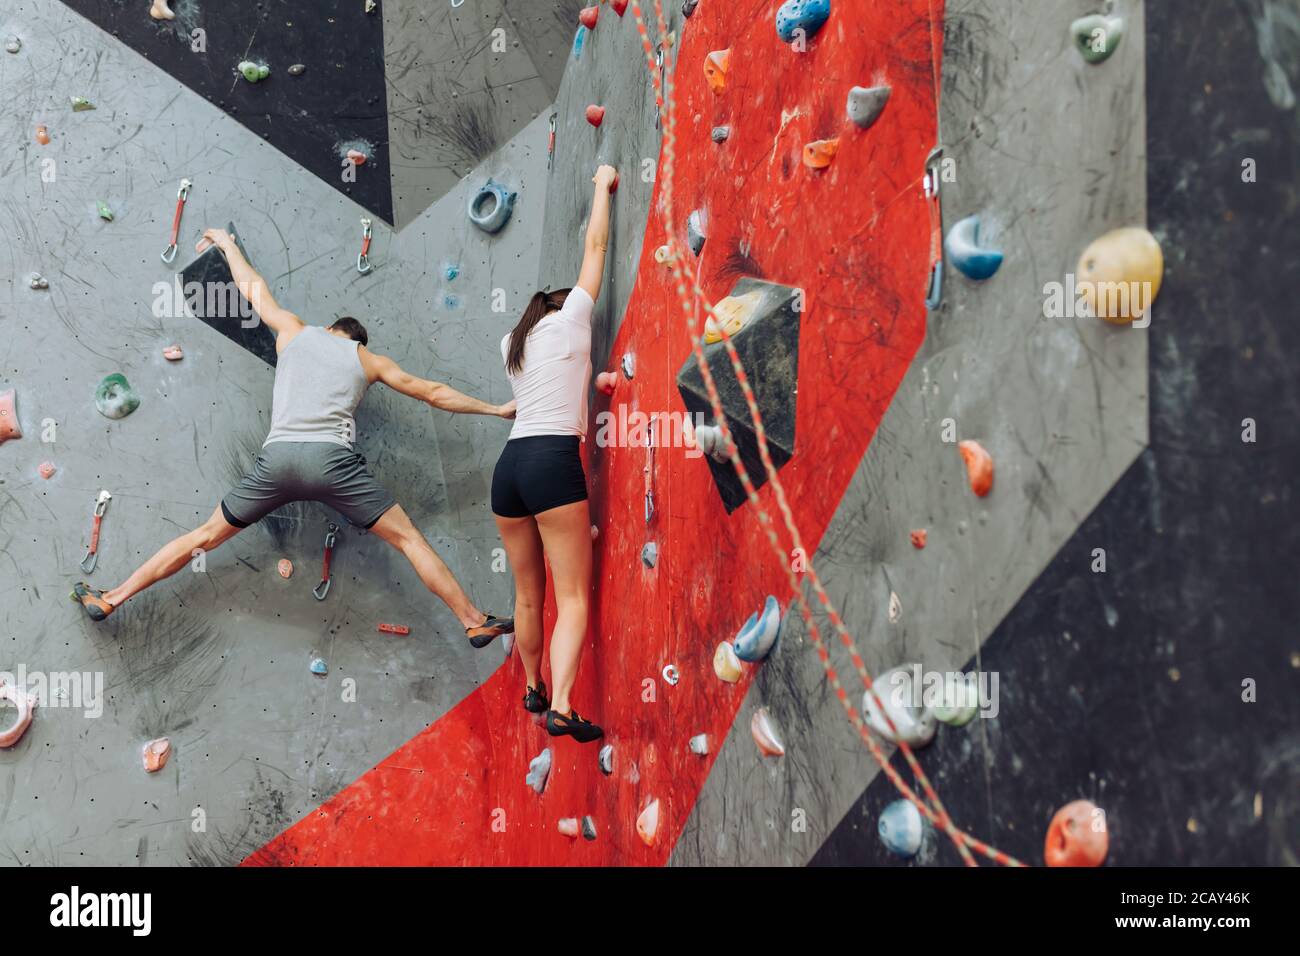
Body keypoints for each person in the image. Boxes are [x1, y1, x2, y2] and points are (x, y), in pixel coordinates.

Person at [73, 227, 515, 647]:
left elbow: (252, 288)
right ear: (357, 341)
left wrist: (226, 244)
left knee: (203, 537)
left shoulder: (295, 331)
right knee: (409, 540)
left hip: (278, 461)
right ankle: (472, 620)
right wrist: (494, 409)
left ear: (330, 328)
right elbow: (431, 393)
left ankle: (110, 598)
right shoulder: (370, 361)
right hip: (332, 464)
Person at [491, 164, 616, 743]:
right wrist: (601, 182)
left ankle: (533, 685)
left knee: (526, 593)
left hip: (508, 470)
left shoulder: (511, 349)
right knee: (572, 595)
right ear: (565, 307)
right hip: (549, 460)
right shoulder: (571, 320)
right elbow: (595, 244)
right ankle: (562, 705)